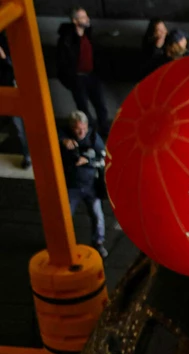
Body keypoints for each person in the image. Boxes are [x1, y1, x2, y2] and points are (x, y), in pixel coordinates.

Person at [59, 111, 108, 258]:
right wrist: (62, 140)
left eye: (84, 129)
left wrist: (88, 161)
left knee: (97, 215)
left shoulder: (93, 137)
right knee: (64, 217)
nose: (82, 132)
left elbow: (103, 157)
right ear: (71, 128)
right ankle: (63, 244)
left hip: (90, 185)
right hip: (71, 186)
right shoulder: (63, 135)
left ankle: (98, 242)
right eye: (78, 129)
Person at [56, 6, 110, 137]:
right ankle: (91, 136)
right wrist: (71, 80)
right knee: (84, 110)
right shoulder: (66, 40)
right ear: (75, 21)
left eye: (86, 16)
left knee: (101, 107)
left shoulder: (88, 36)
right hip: (77, 79)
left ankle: (106, 133)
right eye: (83, 17)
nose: (87, 19)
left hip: (92, 76)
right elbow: (62, 63)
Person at [0, 32, 30, 168]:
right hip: (6, 87)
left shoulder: (8, 40)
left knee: (20, 126)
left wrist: (4, 57)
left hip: (12, 88)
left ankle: (28, 155)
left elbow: (17, 63)